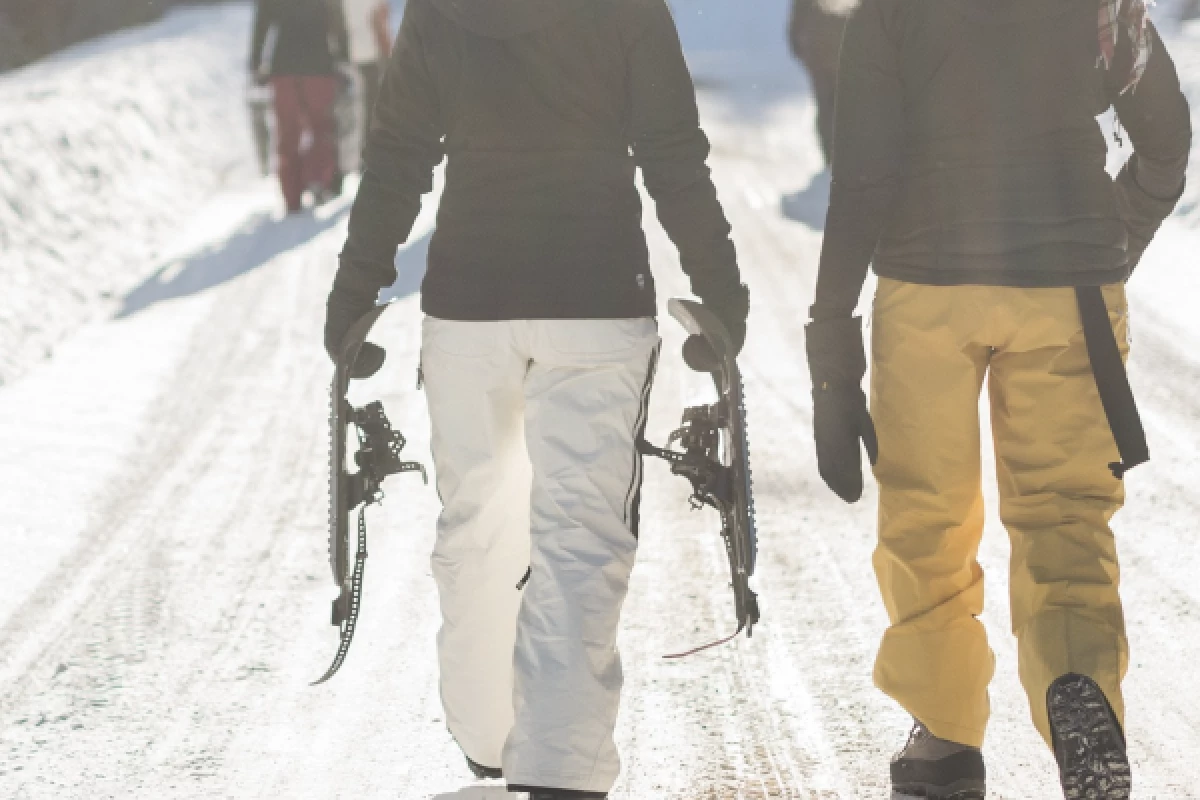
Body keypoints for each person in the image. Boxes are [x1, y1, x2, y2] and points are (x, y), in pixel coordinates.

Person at [323, 1, 748, 797]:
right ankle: (558, 768)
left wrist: (351, 294)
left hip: (469, 305)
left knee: (476, 520)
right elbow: (672, 155)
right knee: (581, 537)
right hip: (598, 298)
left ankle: (490, 737)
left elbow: (400, 155)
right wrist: (723, 289)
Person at [805, 0, 1189, 797]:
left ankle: (944, 741)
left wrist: (831, 344)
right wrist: (1115, 241)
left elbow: (865, 178)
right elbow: (1168, 137)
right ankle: (1079, 686)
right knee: (1065, 513)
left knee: (928, 516)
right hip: (1069, 286)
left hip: (925, 288)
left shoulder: (888, 13)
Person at [250, 0, 349, 213]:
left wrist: (256, 62)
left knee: (287, 132)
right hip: (319, 65)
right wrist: (343, 57)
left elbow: (262, 21)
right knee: (322, 127)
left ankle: (292, 195)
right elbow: (337, 18)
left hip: (284, 67)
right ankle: (316, 178)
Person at [787, 0, 852, 165]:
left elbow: (798, 14)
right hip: (842, 50)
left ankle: (831, 156)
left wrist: (797, 43)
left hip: (819, 52)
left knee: (826, 106)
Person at [341, 0, 392, 150]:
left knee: (363, 108)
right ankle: (372, 150)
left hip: (354, 55)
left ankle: (363, 152)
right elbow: (379, 25)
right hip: (372, 57)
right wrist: (388, 56)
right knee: (373, 108)